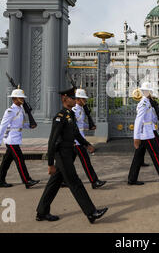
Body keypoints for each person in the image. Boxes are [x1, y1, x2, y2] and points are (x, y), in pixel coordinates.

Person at [36, 87, 108, 223]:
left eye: (75, 98)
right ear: (64, 98)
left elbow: (75, 133)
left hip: (68, 152)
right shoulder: (60, 117)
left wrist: (87, 144)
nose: (75, 100)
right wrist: (50, 163)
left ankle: (42, 211)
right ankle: (91, 212)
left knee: (54, 183)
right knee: (75, 183)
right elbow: (52, 141)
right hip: (62, 154)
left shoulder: (70, 115)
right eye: (72, 98)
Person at [128, 82, 159, 187]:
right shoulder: (144, 103)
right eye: (147, 91)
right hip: (146, 134)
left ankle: (132, 179)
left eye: (148, 91)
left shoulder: (148, 103)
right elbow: (138, 120)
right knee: (157, 156)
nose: (148, 93)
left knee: (138, 157)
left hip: (148, 131)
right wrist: (136, 137)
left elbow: (152, 118)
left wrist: (157, 116)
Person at [0, 87, 40, 189]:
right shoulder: (10, 111)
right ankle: (27, 180)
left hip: (16, 137)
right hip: (11, 139)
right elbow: (2, 126)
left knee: (6, 161)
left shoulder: (20, 109)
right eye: (20, 98)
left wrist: (29, 126)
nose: (22, 99)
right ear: (14, 99)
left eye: (22, 98)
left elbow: (19, 125)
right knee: (20, 159)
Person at [72, 88, 106, 189]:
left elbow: (81, 124)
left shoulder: (81, 109)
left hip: (79, 139)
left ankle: (61, 180)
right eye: (84, 99)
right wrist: (85, 143)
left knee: (67, 163)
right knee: (86, 162)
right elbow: (73, 127)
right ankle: (94, 181)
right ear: (78, 99)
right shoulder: (74, 110)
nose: (85, 101)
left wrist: (89, 126)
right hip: (77, 140)